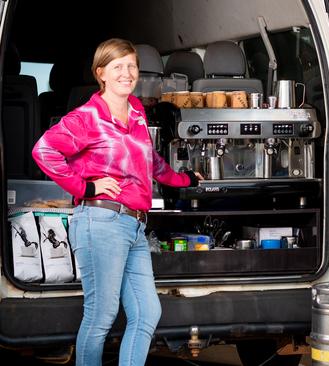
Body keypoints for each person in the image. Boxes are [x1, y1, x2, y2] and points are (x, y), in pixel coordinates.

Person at [32, 38, 202, 365]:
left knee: (147, 312)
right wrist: (87, 188)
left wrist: (186, 179)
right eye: (117, 67)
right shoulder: (87, 117)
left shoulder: (136, 110)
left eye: (132, 66)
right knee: (101, 316)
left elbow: (150, 161)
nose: (127, 73)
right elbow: (44, 151)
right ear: (101, 74)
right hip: (100, 223)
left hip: (135, 225)